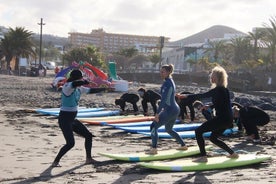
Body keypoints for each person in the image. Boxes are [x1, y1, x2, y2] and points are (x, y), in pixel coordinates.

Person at [176, 65, 238, 162]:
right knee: (213, 138)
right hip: (228, 120)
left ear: (217, 78)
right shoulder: (224, 90)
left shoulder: (217, 90)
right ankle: (232, 153)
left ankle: (203, 157)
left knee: (198, 131)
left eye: (212, 75)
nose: (210, 77)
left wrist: (186, 96)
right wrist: (210, 106)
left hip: (221, 119)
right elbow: (223, 103)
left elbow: (202, 96)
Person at [51, 69, 95, 167]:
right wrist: (84, 81)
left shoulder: (79, 88)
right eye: (81, 77)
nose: (82, 79)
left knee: (88, 136)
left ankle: (89, 159)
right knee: (70, 143)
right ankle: (55, 161)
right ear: (78, 78)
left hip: (72, 119)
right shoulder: (67, 86)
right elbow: (75, 83)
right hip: (64, 119)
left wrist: (106, 89)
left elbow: (91, 90)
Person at [146, 64, 187, 155]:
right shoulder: (171, 81)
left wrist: (157, 114)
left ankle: (154, 149)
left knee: (153, 126)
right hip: (175, 109)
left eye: (163, 72)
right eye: (160, 71)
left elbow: (164, 100)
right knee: (168, 129)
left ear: (168, 72)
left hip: (170, 110)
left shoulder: (167, 83)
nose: (161, 73)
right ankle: (183, 145)